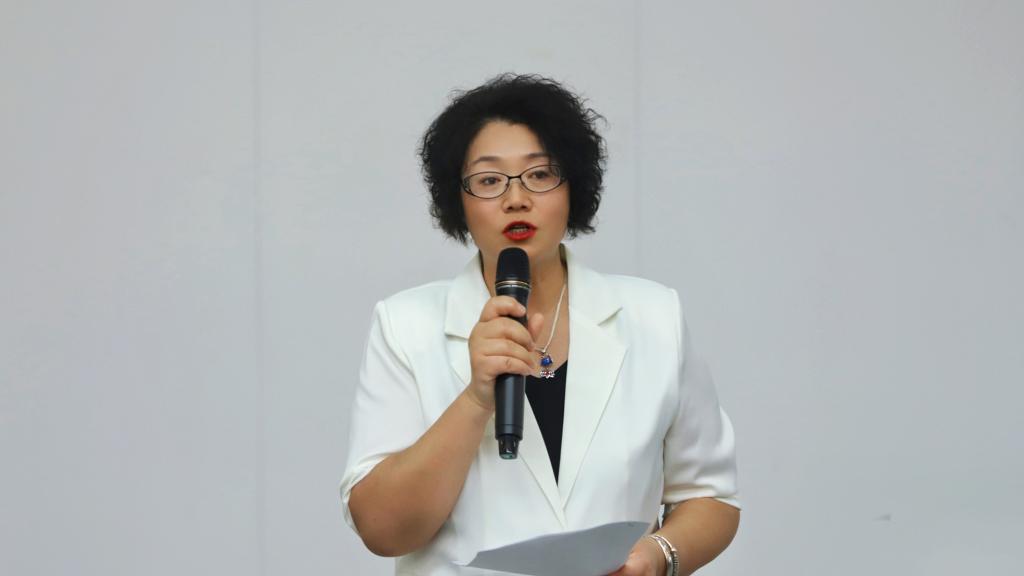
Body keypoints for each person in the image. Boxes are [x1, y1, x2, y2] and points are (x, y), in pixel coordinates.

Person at [340, 74, 740, 576]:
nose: (516, 198)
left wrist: (657, 558)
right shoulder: (404, 325)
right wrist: (475, 399)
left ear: (574, 186)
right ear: (458, 200)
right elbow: (382, 530)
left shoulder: (654, 316)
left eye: (539, 174)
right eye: (489, 180)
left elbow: (710, 495)